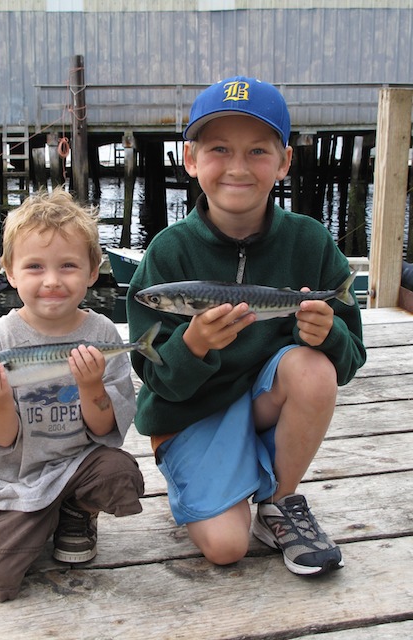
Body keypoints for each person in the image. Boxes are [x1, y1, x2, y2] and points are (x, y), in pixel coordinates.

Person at [127, 76, 366, 577]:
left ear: (283, 162)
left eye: (258, 151)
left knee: (312, 368)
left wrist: (329, 335)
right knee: (226, 548)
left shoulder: (311, 242)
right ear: (191, 160)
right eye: (219, 149)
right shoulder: (167, 253)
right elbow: (155, 378)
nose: (237, 166)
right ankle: (205, 472)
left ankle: (278, 501)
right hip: (190, 414)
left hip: (262, 400)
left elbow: (349, 362)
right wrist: (191, 346)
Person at [0, 187, 144, 601]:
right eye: (35, 266)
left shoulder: (101, 334)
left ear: (93, 271)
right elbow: (0, 442)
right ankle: (42, 516)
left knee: (120, 473)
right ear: (9, 271)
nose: (52, 281)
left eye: (68, 266)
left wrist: (92, 385)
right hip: (16, 477)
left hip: (79, 462)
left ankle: (77, 510)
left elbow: (105, 430)